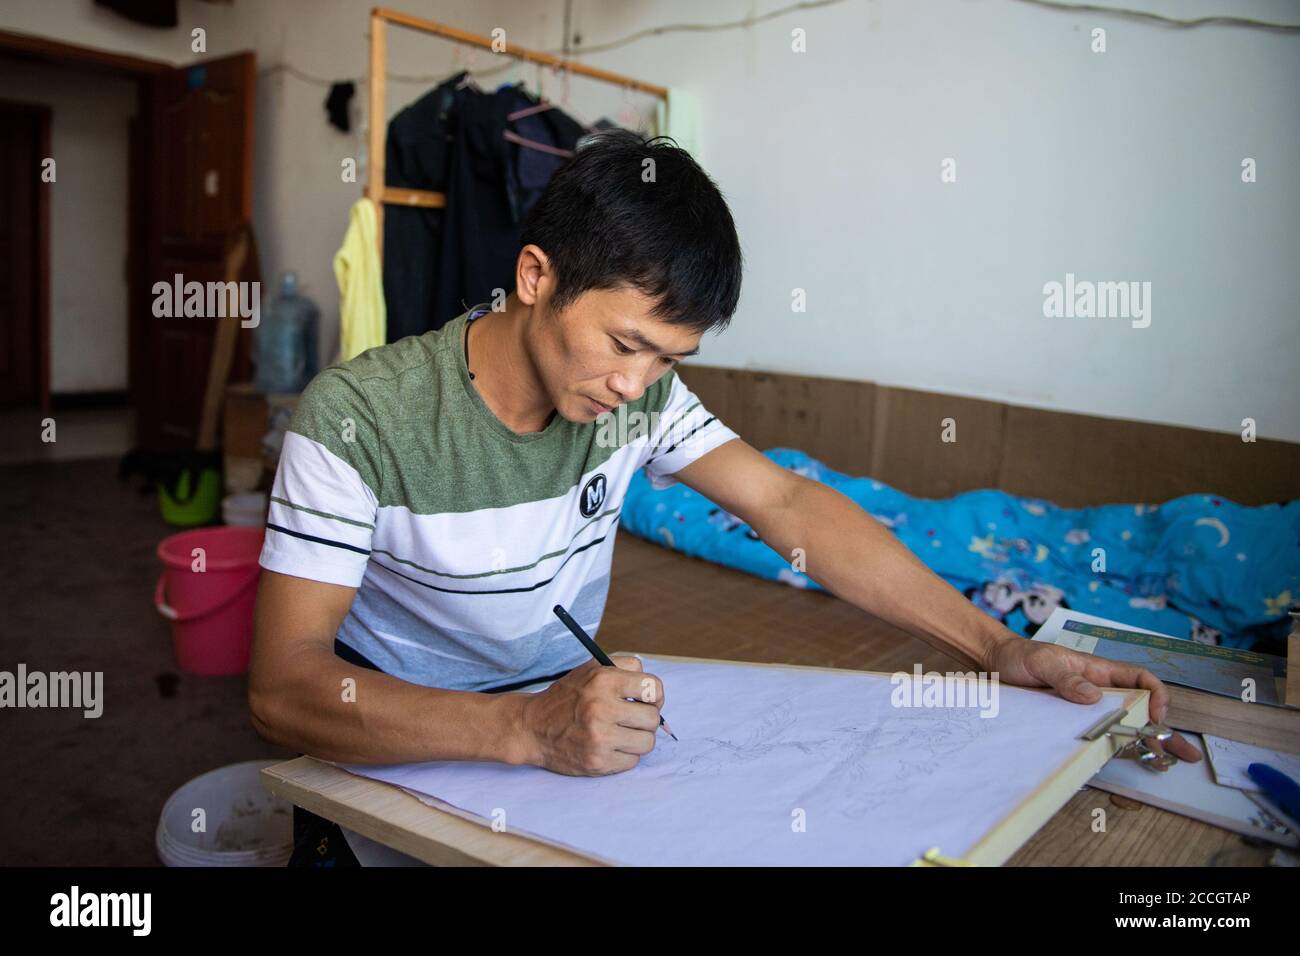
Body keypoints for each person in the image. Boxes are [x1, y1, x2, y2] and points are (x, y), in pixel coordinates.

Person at [248, 130, 1197, 866]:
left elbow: (787, 505)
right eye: (625, 345)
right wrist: (521, 730)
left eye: (672, 358)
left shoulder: (642, 393)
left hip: (574, 731)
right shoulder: (359, 419)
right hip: (406, 741)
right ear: (535, 276)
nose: (641, 385)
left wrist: (998, 649)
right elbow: (283, 688)